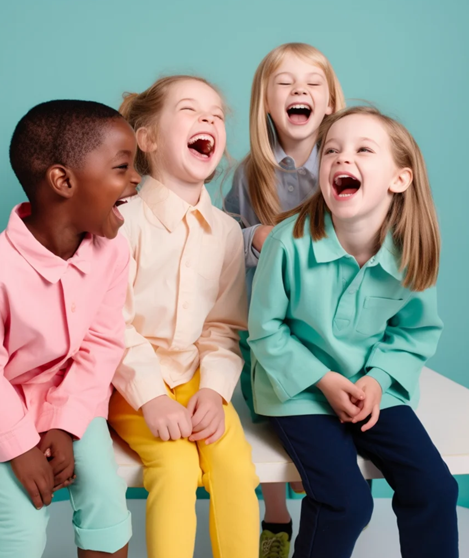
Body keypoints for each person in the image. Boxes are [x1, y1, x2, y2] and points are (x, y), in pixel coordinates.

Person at [0, 100, 141, 558]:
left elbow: (101, 344)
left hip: (69, 395)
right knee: (23, 523)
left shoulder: (113, 252)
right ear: (63, 181)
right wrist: (20, 446)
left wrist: (66, 425)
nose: (136, 178)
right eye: (122, 167)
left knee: (106, 497)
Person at [249, 105, 459, 558]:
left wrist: (377, 380)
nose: (342, 159)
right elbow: (265, 333)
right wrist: (323, 381)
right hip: (299, 391)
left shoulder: (411, 253)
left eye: (364, 149)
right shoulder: (287, 244)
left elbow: (413, 333)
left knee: (436, 489)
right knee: (346, 503)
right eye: (331, 151)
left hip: (372, 388)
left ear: (399, 179)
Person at [109, 75, 260, 558]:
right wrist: (151, 398)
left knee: (236, 468)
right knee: (175, 470)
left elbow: (222, 327)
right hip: (130, 383)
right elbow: (110, 324)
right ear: (148, 140)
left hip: (197, 380)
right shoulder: (122, 221)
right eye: (191, 111)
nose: (209, 120)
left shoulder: (224, 233)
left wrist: (214, 394)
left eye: (216, 115)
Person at [224, 42, 345, 558]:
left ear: (331, 102)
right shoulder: (249, 173)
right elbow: (224, 234)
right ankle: (276, 517)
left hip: (332, 330)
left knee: (326, 423)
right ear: (266, 104)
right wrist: (254, 235)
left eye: (314, 83)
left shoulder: (347, 165)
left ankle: (322, 495)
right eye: (286, 84)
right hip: (268, 327)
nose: (301, 91)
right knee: (267, 424)